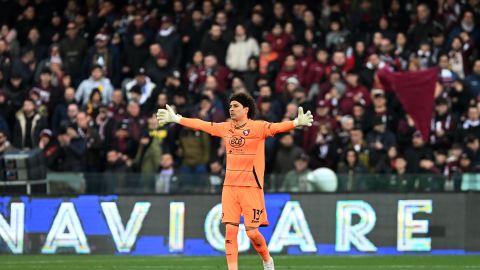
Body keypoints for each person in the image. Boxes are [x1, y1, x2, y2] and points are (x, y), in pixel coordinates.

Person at [156, 92, 313, 270]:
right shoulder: (226, 128)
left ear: (246, 109)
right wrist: (177, 118)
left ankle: (267, 260)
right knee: (230, 231)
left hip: (251, 187)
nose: (232, 109)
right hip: (229, 187)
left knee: (252, 233)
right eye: (230, 106)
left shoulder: (258, 127)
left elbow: (276, 128)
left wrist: (295, 123)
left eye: (236, 106)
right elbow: (202, 125)